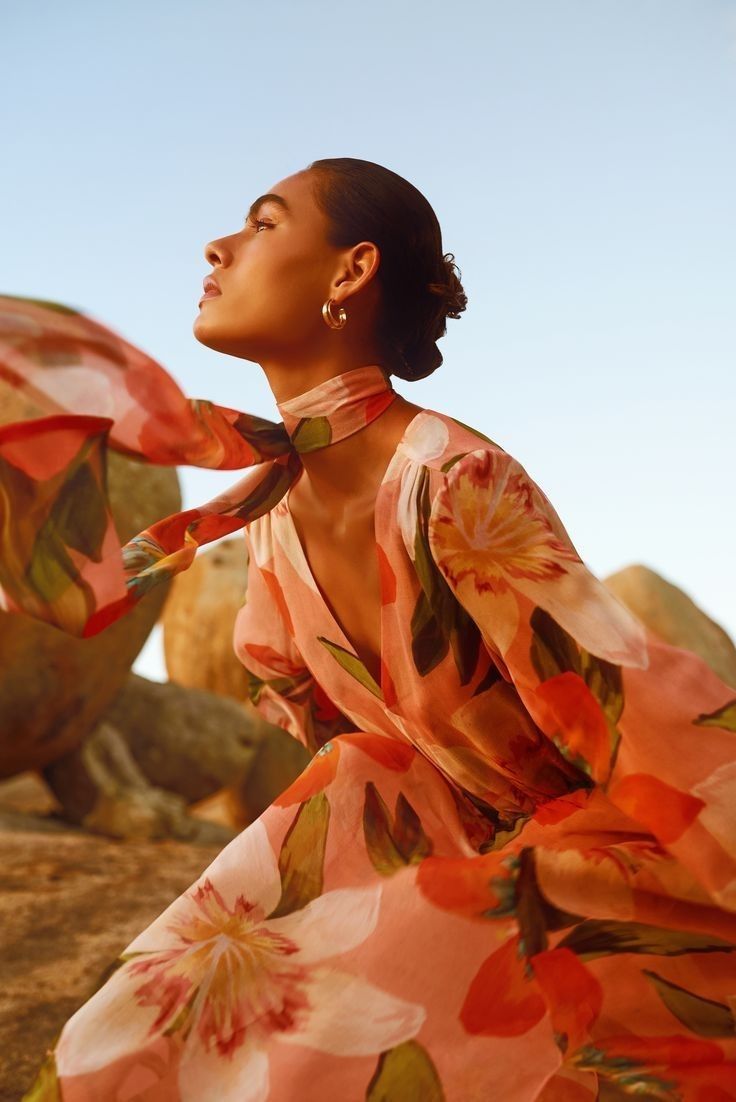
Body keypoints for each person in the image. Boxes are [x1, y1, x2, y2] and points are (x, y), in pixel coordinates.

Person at [3, 157, 736, 1101]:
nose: (218, 246)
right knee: (166, 994)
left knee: (384, 952)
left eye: (263, 225)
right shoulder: (269, 516)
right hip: (434, 848)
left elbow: (640, 708)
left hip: (586, 876)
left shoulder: (454, 480)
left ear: (349, 274)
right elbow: (331, 753)